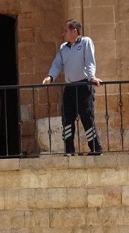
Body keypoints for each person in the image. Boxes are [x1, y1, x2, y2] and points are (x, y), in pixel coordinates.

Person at [42, 19, 104, 156]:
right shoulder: (64, 47)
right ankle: (69, 149)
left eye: (66, 31)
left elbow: (89, 61)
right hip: (70, 87)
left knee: (87, 117)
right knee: (67, 118)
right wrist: (50, 76)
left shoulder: (86, 42)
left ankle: (95, 148)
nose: (63, 34)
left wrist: (91, 77)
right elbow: (57, 64)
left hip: (83, 85)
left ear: (74, 31)